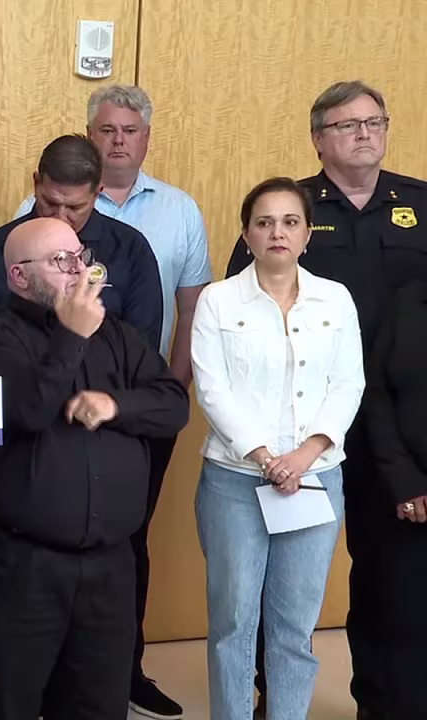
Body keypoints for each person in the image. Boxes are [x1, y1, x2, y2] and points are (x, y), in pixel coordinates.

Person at [224, 81, 427, 720]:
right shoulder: (289, 210)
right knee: (279, 577)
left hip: (395, 430)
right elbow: (237, 313)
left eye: (374, 122)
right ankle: (273, 696)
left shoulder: (420, 204)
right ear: (318, 138)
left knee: (391, 578)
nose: (364, 134)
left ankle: (383, 701)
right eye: (347, 125)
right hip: (301, 431)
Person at [13, 83, 211, 720]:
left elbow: (181, 313)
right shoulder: (32, 222)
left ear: (146, 138)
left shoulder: (178, 212)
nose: (118, 140)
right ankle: (52, 680)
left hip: (131, 410)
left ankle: (125, 670)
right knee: (50, 548)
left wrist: (160, 393)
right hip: (47, 418)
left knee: (127, 541)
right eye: (107, 129)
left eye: (130, 130)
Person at [0, 217, 188, 720]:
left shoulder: (118, 334)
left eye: (81, 257)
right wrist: (71, 336)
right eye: (61, 261)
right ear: (19, 276)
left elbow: (173, 404)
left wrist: (116, 405)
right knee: (4, 704)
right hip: (18, 566)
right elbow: (30, 410)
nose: (79, 270)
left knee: (98, 706)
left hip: (108, 566)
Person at [192, 177, 364, 720]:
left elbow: (348, 384)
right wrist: (267, 458)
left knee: (294, 626)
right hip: (236, 480)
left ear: (308, 233)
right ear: (246, 234)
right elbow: (212, 390)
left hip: (315, 479)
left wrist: (304, 456)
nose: (277, 233)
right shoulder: (218, 301)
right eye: (264, 223)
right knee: (233, 623)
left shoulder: (335, 298)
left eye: (290, 222)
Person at [0, 134, 163, 370]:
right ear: (36, 184)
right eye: (50, 203)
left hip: (101, 390)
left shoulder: (131, 250)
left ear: (97, 193)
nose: (60, 217)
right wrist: (7, 367)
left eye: (74, 207)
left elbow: (143, 346)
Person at [361, 278, 427, 719]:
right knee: (405, 622)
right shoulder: (408, 298)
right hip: (411, 496)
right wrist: (405, 479)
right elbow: (377, 393)